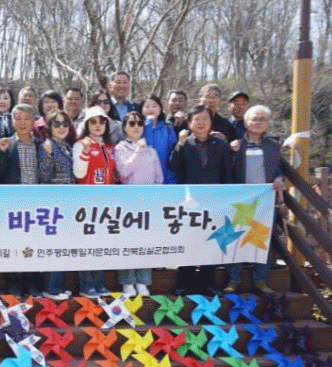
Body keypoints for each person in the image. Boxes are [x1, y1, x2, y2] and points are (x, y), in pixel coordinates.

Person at [168, 105, 232, 295]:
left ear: (211, 123)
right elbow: (173, 165)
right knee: (188, 240)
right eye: (196, 119)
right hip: (189, 201)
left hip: (213, 200)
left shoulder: (221, 144)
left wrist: (227, 200)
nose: (201, 123)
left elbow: (227, 173)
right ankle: (184, 282)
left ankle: (208, 283)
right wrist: (179, 145)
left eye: (205, 119)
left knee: (210, 242)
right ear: (189, 123)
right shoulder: (185, 143)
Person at [225, 105, 284, 295]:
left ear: (267, 123)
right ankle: (233, 279)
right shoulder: (236, 145)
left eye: (262, 119)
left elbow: (279, 170)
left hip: (265, 200)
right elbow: (227, 169)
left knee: (263, 238)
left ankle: (260, 280)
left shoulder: (274, 146)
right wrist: (231, 151)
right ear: (246, 123)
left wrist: (279, 178)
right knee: (235, 238)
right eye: (254, 119)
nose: (257, 122)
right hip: (240, 199)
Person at [0, 103, 44, 296]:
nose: (22, 123)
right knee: (12, 244)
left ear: (33, 122)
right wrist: (0, 154)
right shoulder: (5, 143)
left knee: (34, 245)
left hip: (36, 202)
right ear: (12, 121)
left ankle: (31, 283)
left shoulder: (41, 144)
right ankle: (12, 283)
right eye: (18, 118)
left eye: (26, 118)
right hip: (13, 202)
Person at [114, 111, 163, 296]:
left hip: (148, 204)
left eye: (139, 123)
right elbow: (123, 173)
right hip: (128, 204)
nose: (136, 127)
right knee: (128, 243)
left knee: (145, 243)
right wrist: (137, 151)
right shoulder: (120, 148)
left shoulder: (151, 151)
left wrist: (154, 199)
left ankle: (143, 281)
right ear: (125, 127)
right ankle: (128, 282)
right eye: (131, 123)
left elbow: (159, 178)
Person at [72, 106, 116, 297]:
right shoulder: (80, 144)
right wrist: (85, 152)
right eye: (93, 122)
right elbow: (79, 173)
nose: (98, 125)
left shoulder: (108, 146)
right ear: (86, 124)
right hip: (85, 202)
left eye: (101, 122)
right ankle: (86, 285)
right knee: (86, 244)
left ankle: (99, 283)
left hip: (104, 203)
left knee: (100, 245)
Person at [38, 109, 75, 300]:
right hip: (53, 202)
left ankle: (59, 286)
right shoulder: (47, 145)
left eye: (65, 124)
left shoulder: (67, 146)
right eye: (57, 124)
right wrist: (48, 155)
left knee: (62, 246)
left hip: (67, 202)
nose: (61, 128)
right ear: (49, 127)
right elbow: (43, 176)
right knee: (54, 246)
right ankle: (51, 289)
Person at [140, 94, 179, 184]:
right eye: (147, 106)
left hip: (166, 178)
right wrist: (148, 123)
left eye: (155, 106)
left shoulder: (168, 127)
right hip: (143, 180)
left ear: (160, 108)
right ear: (141, 110)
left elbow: (173, 153)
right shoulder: (137, 128)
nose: (151, 109)